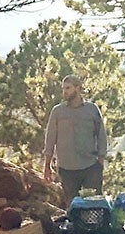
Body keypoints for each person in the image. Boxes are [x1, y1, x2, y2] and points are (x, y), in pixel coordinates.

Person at [43, 74, 107, 204]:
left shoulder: (91, 109)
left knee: (95, 204)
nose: (64, 92)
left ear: (77, 88)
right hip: (67, 169)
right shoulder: (58, 111)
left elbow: (101, 134)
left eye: (68, 88)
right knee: (73, 207)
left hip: (90, 166)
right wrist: (47, 165)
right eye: (63, 88)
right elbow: (50, 138)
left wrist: (101, 160)